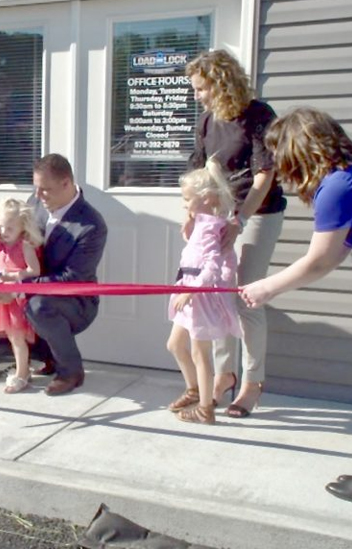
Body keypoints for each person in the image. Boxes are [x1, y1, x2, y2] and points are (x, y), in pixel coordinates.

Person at [237, 107, 351, 498]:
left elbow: (320, 259)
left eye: (281, 158)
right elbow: (334, 255)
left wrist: (266, 288)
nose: (281, 171)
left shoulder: (337, 186)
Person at [186, 49, 286, 417]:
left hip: (258, 214)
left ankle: (252, 382)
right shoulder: (207, 121)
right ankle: (224, 372)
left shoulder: (259, 116)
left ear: (221, 82)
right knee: (216, 294)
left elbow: (265, 175)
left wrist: (239, 220)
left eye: (201, 89)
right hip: (218, 216)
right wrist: (191, 215)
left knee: (245, 296)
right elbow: (198, 173)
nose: (197, 96)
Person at [0, 154, 108, 395]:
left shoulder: (91, 225)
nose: (38, 196)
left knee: (39, 307)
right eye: (36, 188)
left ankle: (70, 371)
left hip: (73, 302)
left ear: (67, 183)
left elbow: (72, 279)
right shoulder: (34, 204)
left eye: (45, 190)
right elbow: (10, 237)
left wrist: (18, 288)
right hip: (25, 294)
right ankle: (44, 353)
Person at [166, 160, 243, 424]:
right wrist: (189, 224)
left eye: (187, 199)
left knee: (201, 352)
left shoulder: (211, 227)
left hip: (199, 296)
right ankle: (194, 389)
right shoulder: (201, 223)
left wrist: (193, 291)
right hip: (187, 289)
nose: (183, 204)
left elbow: (211, 265)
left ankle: (205, 408)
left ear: (207, 199)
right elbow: (195, 252)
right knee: (175, 344)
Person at [0, 198, 43, 393]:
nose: (5, 232)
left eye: (10, 228)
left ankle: (22, 374)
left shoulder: (25, 245)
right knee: (14, 338)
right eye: (2, 227)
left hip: (17, 297)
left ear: (23, 225)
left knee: (17, 337)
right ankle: (23, 368)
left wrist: (11, 276)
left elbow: (34, 271)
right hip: (2, 297)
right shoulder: (1, 243)